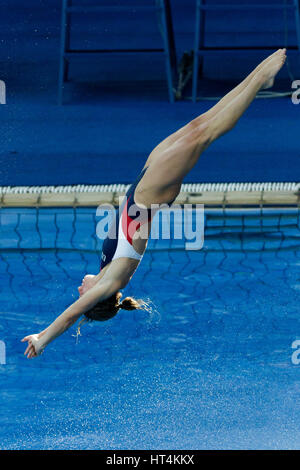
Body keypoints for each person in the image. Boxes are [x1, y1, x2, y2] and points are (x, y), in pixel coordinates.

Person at [22, 49, 287, 358]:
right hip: (151, 194)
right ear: (94, 298)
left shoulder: (107, 273)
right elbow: (71, 315)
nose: (79, 289)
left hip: (143, 185)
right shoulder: (110, 282)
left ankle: (258, 74)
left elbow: (80, 309)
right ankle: (259, 80)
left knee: (199, 125)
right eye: (81, 294)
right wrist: (42, 338)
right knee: (205, 134)